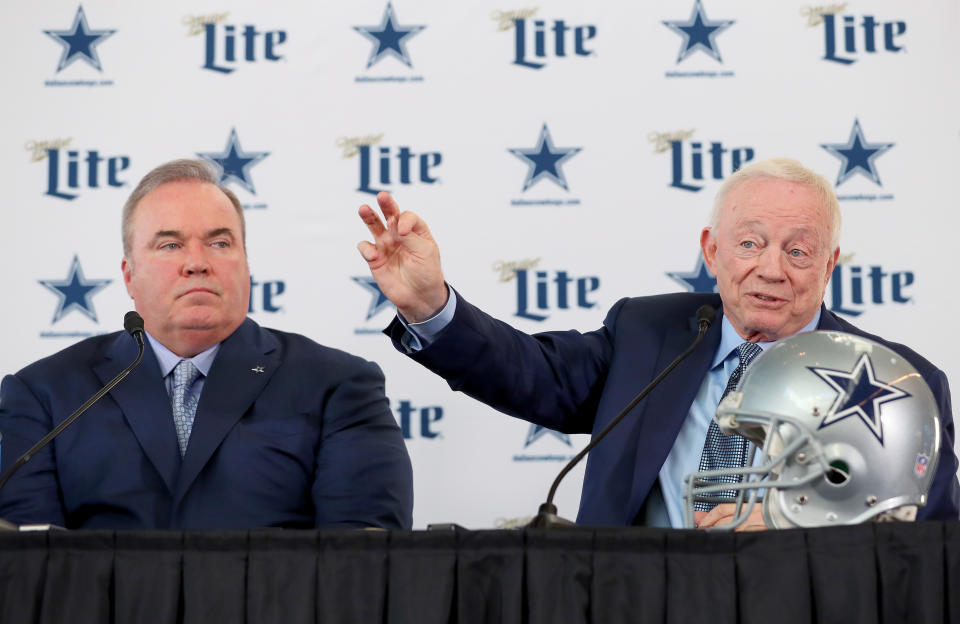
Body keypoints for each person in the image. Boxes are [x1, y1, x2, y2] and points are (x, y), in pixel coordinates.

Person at [356, 157, 959, 530]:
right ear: (712, 251)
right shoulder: (648, 334)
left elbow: (923, 554)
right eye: (749, 244)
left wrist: (796, 529)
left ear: (830, 264)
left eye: (798, 251)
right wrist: (430, 306)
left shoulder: (897, 384)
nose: (772, 269)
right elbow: (529, 373)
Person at [0, 159, 413, 530]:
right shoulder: (44, 395)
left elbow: (363, 566)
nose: (197, 262)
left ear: (246, 265)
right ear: (129, 276)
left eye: (219, 243)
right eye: (170, 245)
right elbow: (28, 571)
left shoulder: (337, 386)